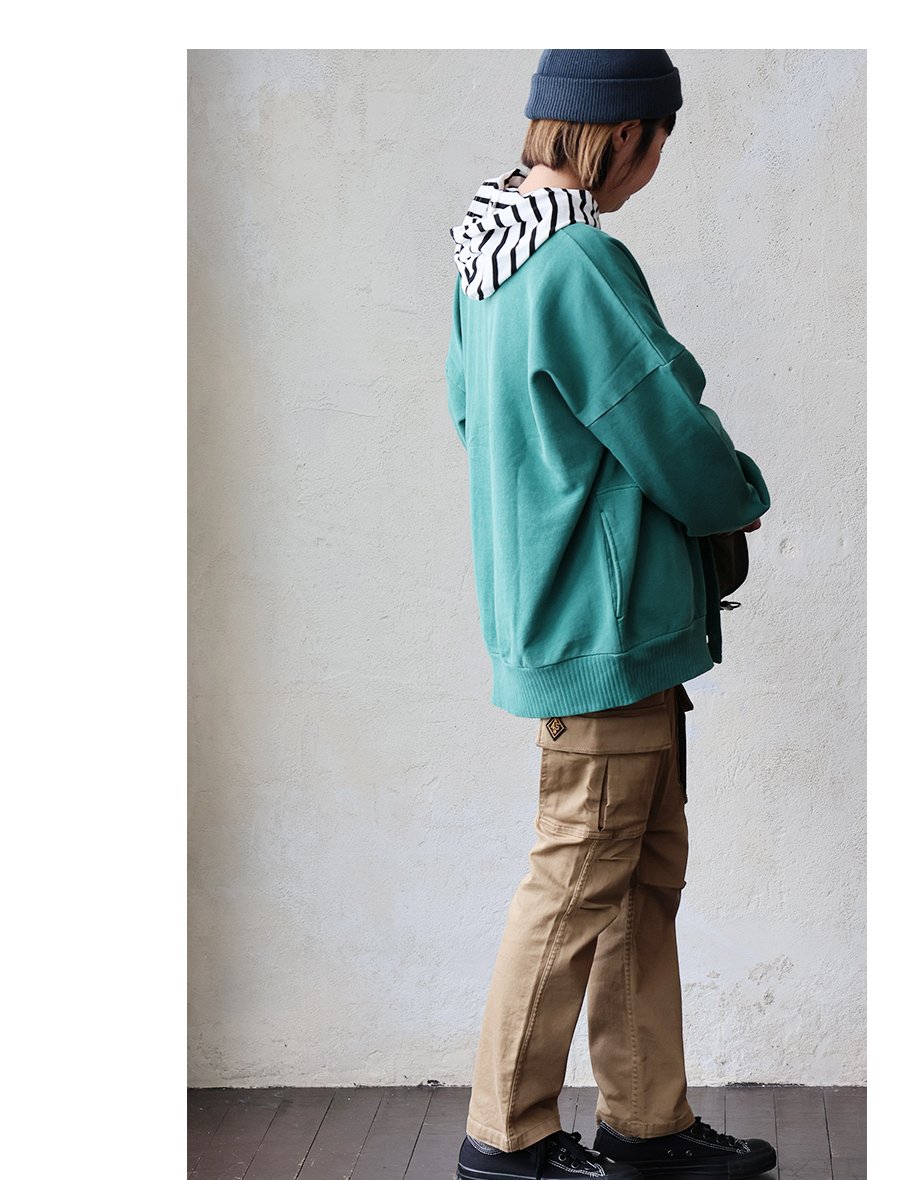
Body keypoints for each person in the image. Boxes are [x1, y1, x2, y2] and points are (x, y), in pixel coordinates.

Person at [445, 50, 777, 1180]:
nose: (654, 166)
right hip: (609, 625)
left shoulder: (486, 253)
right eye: (659, 142)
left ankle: (648, 1122)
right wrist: (739, 491)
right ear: (625, 132)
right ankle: (505, 1138)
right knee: (580, 872)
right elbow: (664, 425)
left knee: (637, 872)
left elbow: (473, 420)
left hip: (566, 611)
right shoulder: (576, 258)